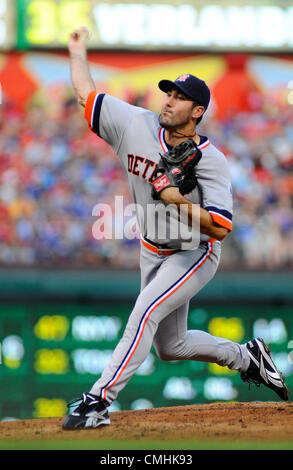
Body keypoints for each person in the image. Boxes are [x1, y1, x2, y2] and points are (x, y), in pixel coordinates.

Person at [62, 27, 289, 430]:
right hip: (152, 248)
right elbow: (86, 95)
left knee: (145, 310)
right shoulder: (134, 124)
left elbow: (221, 227)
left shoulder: (211, 160)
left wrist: (179, 202)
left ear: (197, 110)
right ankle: (247, 357)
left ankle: (98, 400)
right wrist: (77, 50)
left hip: (193, 250)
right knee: (171, 346)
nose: (169, 100)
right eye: (169, 93)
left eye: (180, 97)